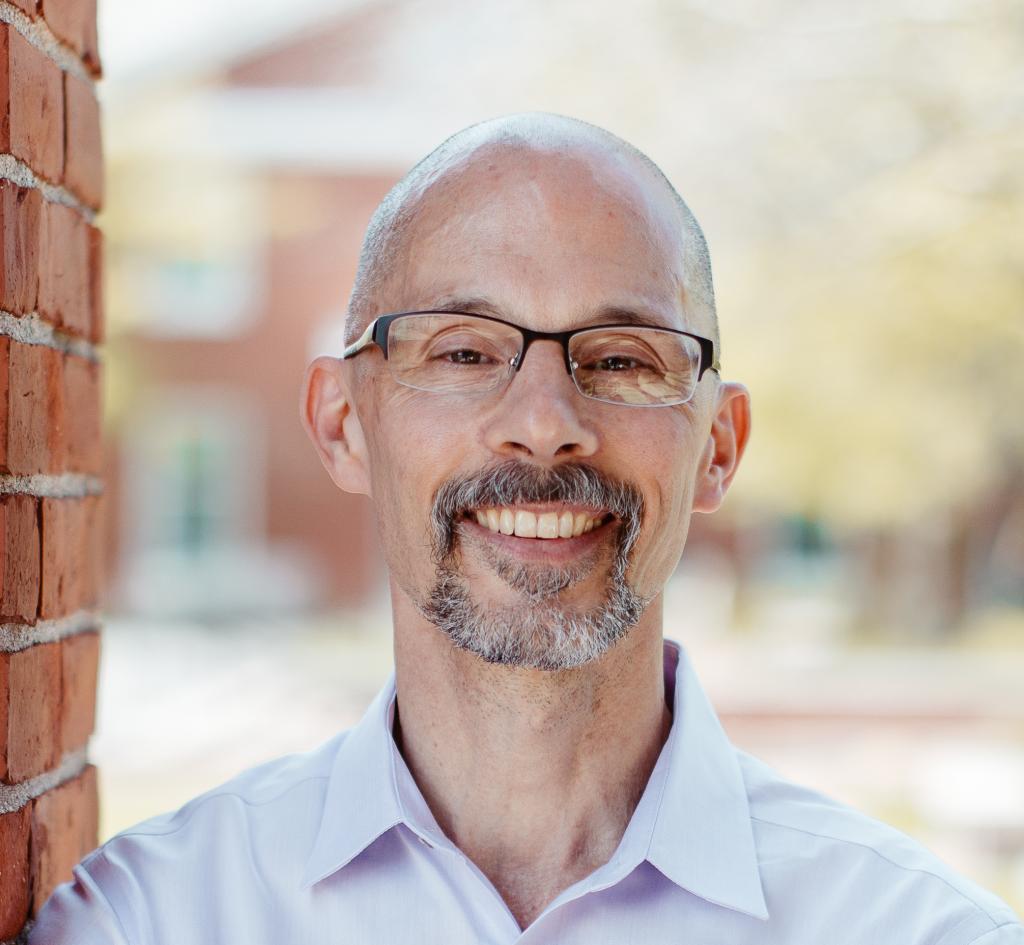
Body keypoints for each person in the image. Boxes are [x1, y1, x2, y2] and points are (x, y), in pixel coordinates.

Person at [31, 113, 1022, 944]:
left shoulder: (917, 930)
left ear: (719, 445)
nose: (545, 424)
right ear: (342, 425)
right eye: (463, 352)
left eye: (624, 358)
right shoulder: (156, 920)